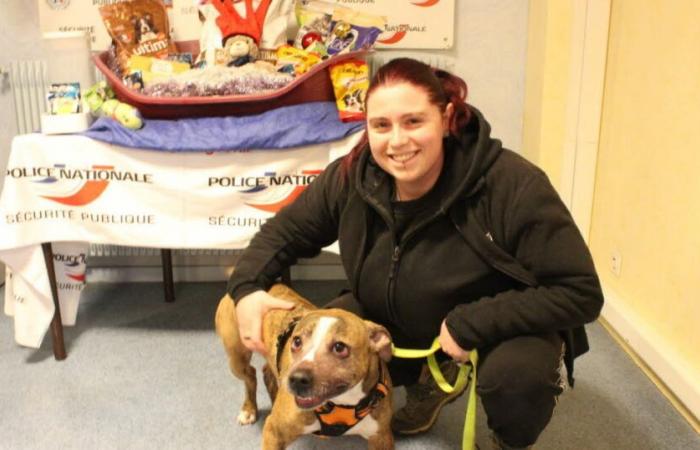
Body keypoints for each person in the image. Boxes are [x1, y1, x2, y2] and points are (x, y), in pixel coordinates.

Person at [227, 58, 604, 450]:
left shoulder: (511, 184)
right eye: (381, 126)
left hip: (494, 323)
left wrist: (473, 323)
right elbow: (283, 232)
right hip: (394, 313)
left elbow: (580, 291)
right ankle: (426, 382)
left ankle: (509, 440)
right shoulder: (351, 177)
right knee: (331, 334)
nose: (397, 142)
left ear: (447, 117)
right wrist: (246, 289)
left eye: (413, 122)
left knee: (516, 380)